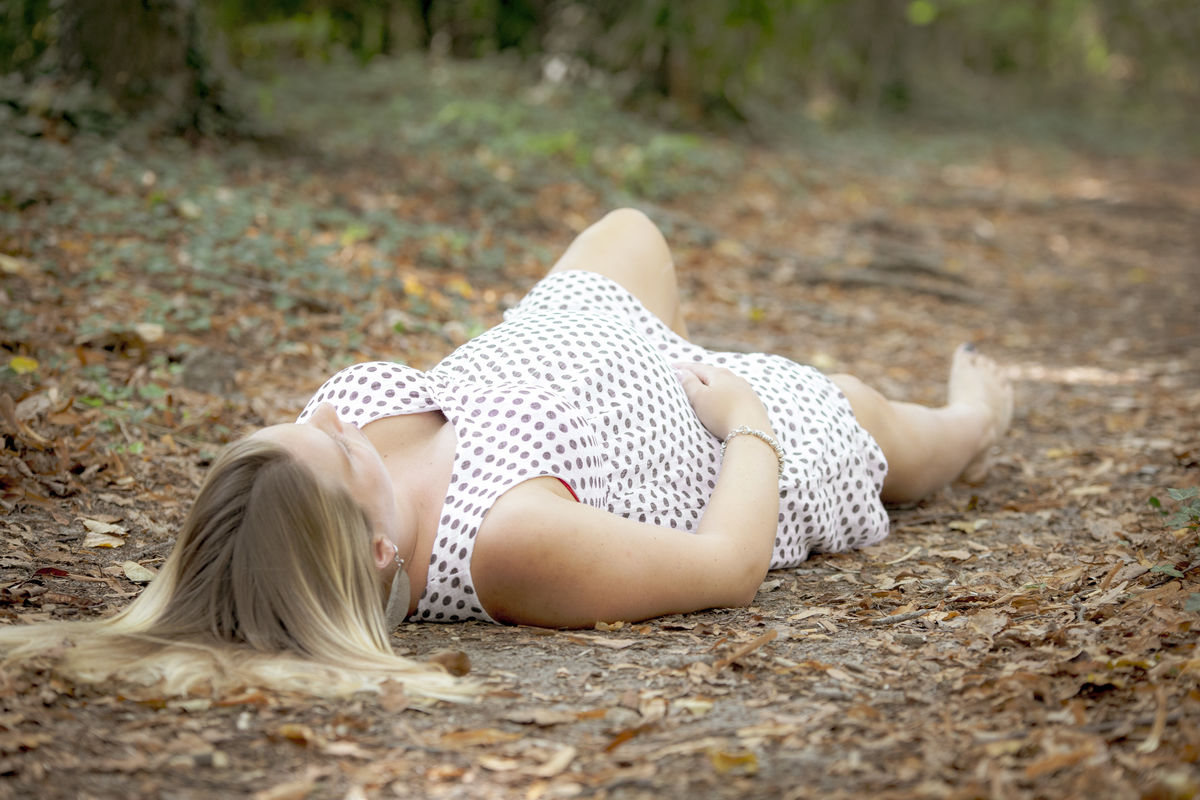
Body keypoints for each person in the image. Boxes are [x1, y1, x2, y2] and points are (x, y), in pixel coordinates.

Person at [0, 208, 1012, 699]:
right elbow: (727, 566)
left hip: (609, 349)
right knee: (869, 410)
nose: (334, 416)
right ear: (381, 550)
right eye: (336, 448)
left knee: (629, 230)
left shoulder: (310, 475)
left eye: (306, 422)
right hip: (727, 436)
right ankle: (972, 423)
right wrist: (747, 416)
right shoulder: (505, 545)